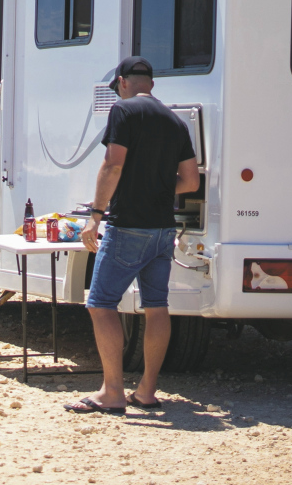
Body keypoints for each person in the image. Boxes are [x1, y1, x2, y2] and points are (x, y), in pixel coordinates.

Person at [68, 57, 200, 414]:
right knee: (156, 307)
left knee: (100, 305)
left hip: (129, 226)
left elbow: (113, 164)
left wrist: (95, 216)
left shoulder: (123, 111)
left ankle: (112, 392)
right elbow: (191, 181)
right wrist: (157, 186)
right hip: (163, 230)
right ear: (151, 84)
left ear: (123, 83)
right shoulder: (175, 121)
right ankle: (146, 391)